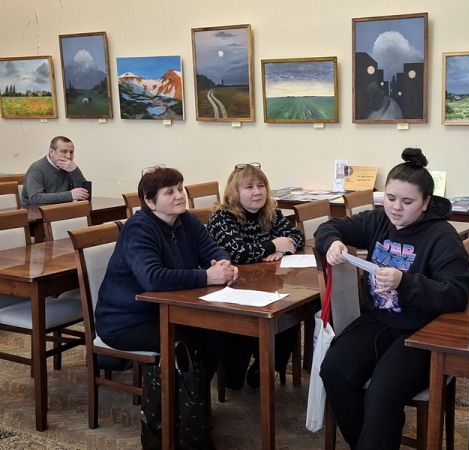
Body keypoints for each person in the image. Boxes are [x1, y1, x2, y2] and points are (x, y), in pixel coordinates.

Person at [314, 148, 469, 450]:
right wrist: (332, 242)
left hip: (423, 330)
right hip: (380, 320)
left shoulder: (441, 236)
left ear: (425, 203)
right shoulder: (379, 221)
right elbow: (329, 226)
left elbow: (456, 293)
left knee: (383, 391)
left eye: (407, 202)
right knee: (334, 370)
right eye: (390, 198)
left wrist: (405, 281)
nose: (396, 208)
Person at [95, 166, 248, 381]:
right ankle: (181, 397)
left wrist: (224, 265)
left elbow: (212, 250)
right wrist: (207, 276)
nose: (179, 196)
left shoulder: (187, 219)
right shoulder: (138, 229)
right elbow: (153, 279)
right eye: (169, 192)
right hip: (128, 321)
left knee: (226, 327)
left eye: (180, 189)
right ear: (150, 201)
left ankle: (204, 392)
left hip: (171, 310)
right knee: (201, 338)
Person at [207, 162, 305, 387]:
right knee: (234, 376)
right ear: (235, 192)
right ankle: (235, 373)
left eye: (261, 186)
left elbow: (297, 237)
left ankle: (264, 369)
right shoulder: (223, 217)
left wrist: (281, 249)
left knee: (289, 316)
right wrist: (274, 245)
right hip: (232, 291)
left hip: (264, 285)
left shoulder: (270, 213)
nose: (257, 192)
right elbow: (238, 253)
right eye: (249, 187)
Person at [21, 136, 89, 206]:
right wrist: (70, 195)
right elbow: (35, 198)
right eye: (64, 151)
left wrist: (75, 170)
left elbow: (86, 193)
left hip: (62, 209)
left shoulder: (69, 166)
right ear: (51, 152)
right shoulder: (36, 168)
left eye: (71, 152)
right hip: (37, 210)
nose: (68, 156)